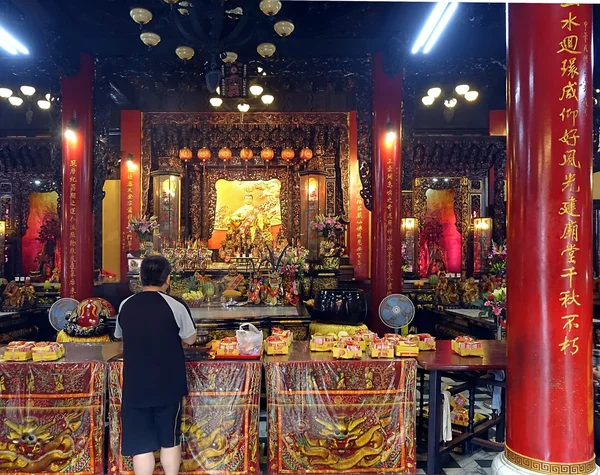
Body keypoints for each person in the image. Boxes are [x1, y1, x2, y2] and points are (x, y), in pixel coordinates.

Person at [114, 255, 197, 475]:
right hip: (168, 385)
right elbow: (190, 338)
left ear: (141, 278)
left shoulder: (125, 305)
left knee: (141, 446)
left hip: (136, 385)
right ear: (168, 278)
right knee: (169, 440)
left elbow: (119, 335)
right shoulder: (176, 305)